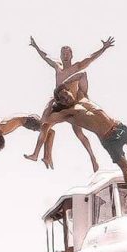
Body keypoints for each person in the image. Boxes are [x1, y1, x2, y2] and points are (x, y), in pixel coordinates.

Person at [25, 84, 127, 205]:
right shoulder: (67, 114)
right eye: (62, 99)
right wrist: (52, 101)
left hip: (118, 128)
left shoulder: (83, 97)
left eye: (66, 94)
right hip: (108, 140)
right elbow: (44, 120)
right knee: (126, 169)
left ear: (70, 91)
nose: (66, 98)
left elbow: (82, 75)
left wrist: (65, 83)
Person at [27, 35, 116, 170]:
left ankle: (93, 159)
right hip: (59, 104)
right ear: (61, 56)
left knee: (79, 133)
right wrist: (36, 47)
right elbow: (45, 57)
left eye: (68, 53)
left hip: (72, 105)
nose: (65, 56)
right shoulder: (58, 67)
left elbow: (91, 58)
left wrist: (103, 48)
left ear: (72, 55)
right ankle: (37, 154)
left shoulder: (77, 67)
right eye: (63, 54)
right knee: (45, 125)